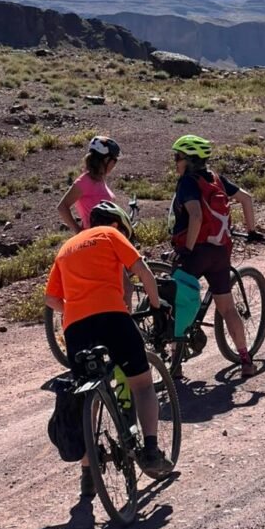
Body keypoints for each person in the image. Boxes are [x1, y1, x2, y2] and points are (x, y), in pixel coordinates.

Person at [45, 200, 173, 496]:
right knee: (141, 384)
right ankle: (151, 451)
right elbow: (143, 273)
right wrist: (156, 306)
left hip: (75, 328)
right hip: (112, 318)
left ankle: (88, 474)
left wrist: (75, 308)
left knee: (87, 392)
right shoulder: (110, 235)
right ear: (117, 226)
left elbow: (51, 300)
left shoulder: (65, 249)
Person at [169, 134, 265, 378]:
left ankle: (175, 363)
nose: (175, 163)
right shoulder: (217, 180)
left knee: (176, 302)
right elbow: (246, 198)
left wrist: (187, 250)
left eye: (177, 158)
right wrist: (251, 231)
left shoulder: (187, 184)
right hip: (220, 252)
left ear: (188, 160)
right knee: (228, 309)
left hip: (196, 252)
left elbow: (196, 216)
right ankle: (245, 360)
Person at [58, 136, 121, 235]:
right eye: (114, 160)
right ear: (106, 159)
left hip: (105, 237)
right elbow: (62, 207)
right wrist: (78, 231)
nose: (114, 164)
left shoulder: (100, 180)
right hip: (92, 239)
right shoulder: (85, 181)